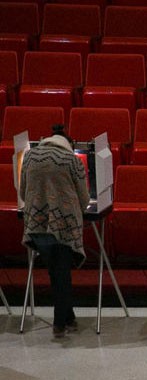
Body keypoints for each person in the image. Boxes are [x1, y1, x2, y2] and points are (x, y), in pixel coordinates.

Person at [19, 124, 90, 338]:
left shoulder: (29, 157)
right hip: (63, 223)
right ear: (68, 143)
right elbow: (84, 197)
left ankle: (68, 317)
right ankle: (60, 322)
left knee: (55, 271)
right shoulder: (71, 160)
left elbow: (22, 191)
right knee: (62, 271)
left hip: (37, 223)